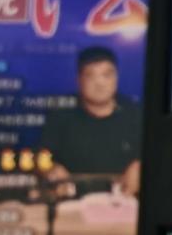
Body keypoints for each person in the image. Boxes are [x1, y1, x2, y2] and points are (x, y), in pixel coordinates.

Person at [37, 47, 141, 198]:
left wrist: (141, 166)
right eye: (91, 75)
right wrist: (51, 169)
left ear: (116, 78)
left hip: (125, 200)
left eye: (107, 75)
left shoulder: (136, 114)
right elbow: (41, 157)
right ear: (78, 80)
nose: (100, 83)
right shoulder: (60, 115)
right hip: (73, 202)